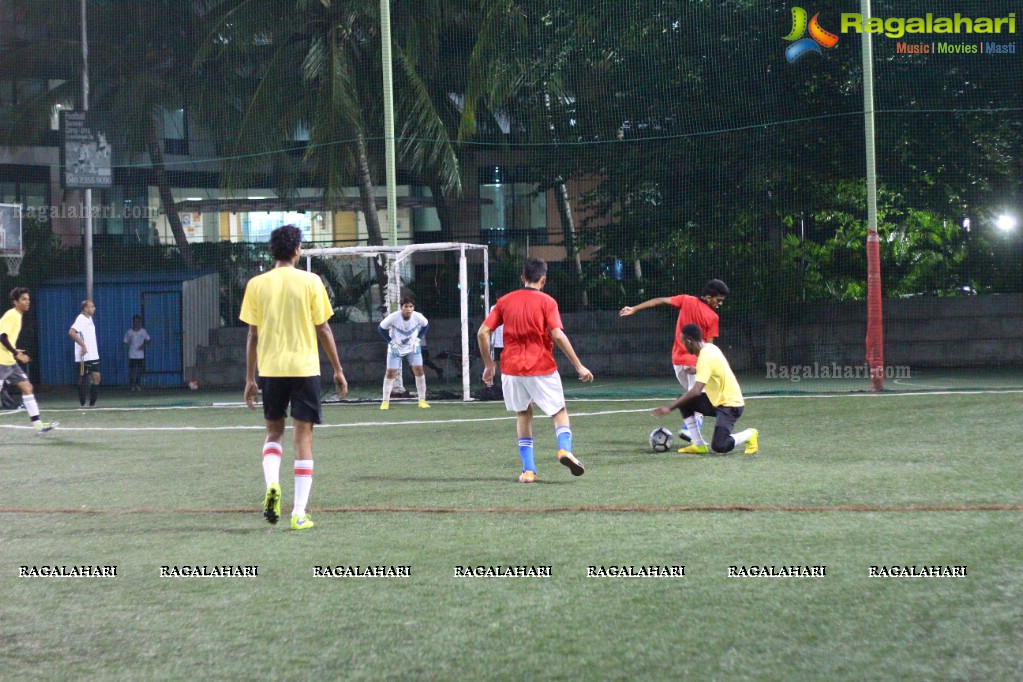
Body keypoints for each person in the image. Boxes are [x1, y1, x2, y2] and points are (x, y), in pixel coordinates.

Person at [240, 225, 347, 531]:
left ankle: (273, 484)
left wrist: (250, 378)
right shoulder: (311, 281)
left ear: (272, 250)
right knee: (303, 437)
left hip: (271, 370)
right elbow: (323, 329)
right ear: (298, 249)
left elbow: (252, 335)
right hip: (305, 370)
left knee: (274, 433)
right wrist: (338, 369)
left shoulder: (257, 285)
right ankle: (299, 513)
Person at [477, 257, 593, 483]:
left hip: (511, 369)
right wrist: (579, 365)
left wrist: (489, 365)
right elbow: (557, 334)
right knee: (559, 412)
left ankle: (529, 471)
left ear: (522, 278)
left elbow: (483, 332)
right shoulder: (547, 302)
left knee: (523, 414)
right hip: (541, 366)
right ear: (544, 279)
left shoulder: (504, 301)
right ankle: (564, 450)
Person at [620, 279, 729, 442]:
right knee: (700, 396)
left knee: (695, 397)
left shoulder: (686, 300)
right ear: (707, 296)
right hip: (694, 363)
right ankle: (690, 431)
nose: (719, 304)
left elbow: (659, 301)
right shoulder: (712, 317)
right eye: (718, 300)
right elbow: (709, 348)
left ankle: (694, 435)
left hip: (678, 363)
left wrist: (634, 308)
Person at [651, 323, 758, 455]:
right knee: (684, 401)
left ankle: (749, 434)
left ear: (689, 341)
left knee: (719, 446)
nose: (683, 346)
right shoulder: (710, 347)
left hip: (731, 406)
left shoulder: (705, 358)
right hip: (717, 402)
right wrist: (697, 370)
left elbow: (696, 391)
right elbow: (718, 367)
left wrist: (669, 408)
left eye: (683, 342)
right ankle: (698, 444)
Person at [0, 288, 57, 433]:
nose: (27, 302)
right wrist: (16, 353)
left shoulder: (17, 316)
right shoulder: (12, 315)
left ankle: (38, 426)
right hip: (1, 362)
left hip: (9, 362)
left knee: (27, 388)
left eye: (28, 299)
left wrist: (14, 350)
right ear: (15, 302)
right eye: (24, 299)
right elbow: (2, 337)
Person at [378, 296, 431, 409]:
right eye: (406, 306)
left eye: (411, 306)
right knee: (391, 373)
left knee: (419, 370)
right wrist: (391, 343)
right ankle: (385, 402)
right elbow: (381, 328)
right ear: (401, 307)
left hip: (412, 348)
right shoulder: (393, 317)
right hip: (395, 349)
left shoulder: (418, 316)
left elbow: (426, 325)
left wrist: (417, 340)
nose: (408, 309)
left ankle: (422, 400)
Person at [69, 299, 101, 407]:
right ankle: (83, 403)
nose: (94, 308)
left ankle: (92, 403)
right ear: (86, 308)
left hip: (93, 354)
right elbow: (72, 333)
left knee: (96, 377)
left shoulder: (89, 318)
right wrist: (83, 345)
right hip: (84, 356)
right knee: (82, 377)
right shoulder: (81, 319)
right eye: (91, 306)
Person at [122, 315, 151, 391]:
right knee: (132, 371)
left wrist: (143, 345)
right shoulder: (129, 332)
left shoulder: (143, 331)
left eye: (138, 321)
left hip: (140, 355)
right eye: (135, 321)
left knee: (140, 370)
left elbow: (148, 340)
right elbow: (125, 341)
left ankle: (138, 384)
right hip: (132, 354)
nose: (136, 323)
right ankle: (132, 385)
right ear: (133, 322)